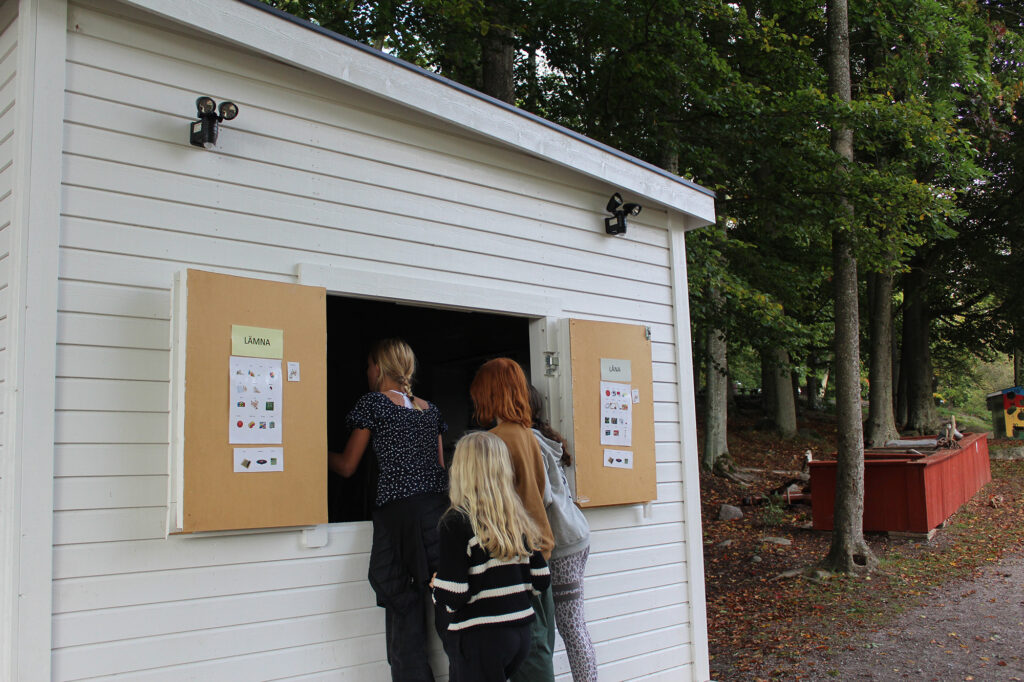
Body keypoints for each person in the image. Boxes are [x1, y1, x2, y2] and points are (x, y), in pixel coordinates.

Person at [329, 338, 450, 682]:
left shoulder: (373, 404)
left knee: (402, 603)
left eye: (368, 365)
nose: (366, 372)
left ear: (379, 368)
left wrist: (313, 453)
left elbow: (349, 466)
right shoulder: (432, 410)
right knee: (449, 604)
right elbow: (439, 470)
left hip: (397, 517)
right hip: (436, 515)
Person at [431, 431, 551, 682]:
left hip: (480, 637)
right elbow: (541, 579)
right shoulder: (519, 520)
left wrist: (436, 586)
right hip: (520, 633)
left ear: (460, 470)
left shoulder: (456, 522)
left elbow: (454, 594)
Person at [469, 358, 556, 681]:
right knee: (541, 644)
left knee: (530, 656)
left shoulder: (497, 439)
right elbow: (542, 494)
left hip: (518, 559)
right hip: (540, 551)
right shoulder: (526, 434)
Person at [528, 385, 599, 681]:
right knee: (571, 624)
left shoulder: (530, 440)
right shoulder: (540, 436)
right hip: (572, 537)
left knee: (570, 625)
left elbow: (540, 495)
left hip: (564, 545)